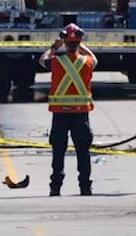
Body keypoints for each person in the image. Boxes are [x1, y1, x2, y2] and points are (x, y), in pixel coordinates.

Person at [39, 23, 97, 196]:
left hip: (60, 114)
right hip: (81, 115)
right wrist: (80, 45)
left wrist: (54, 47)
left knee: (58, 152)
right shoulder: (86, 62)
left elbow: (42, 61)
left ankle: (55, 187)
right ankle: (85, 187)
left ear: (64, 41)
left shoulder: (56, 62)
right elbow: (94, 59)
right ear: (79, 42)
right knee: (83, 152)